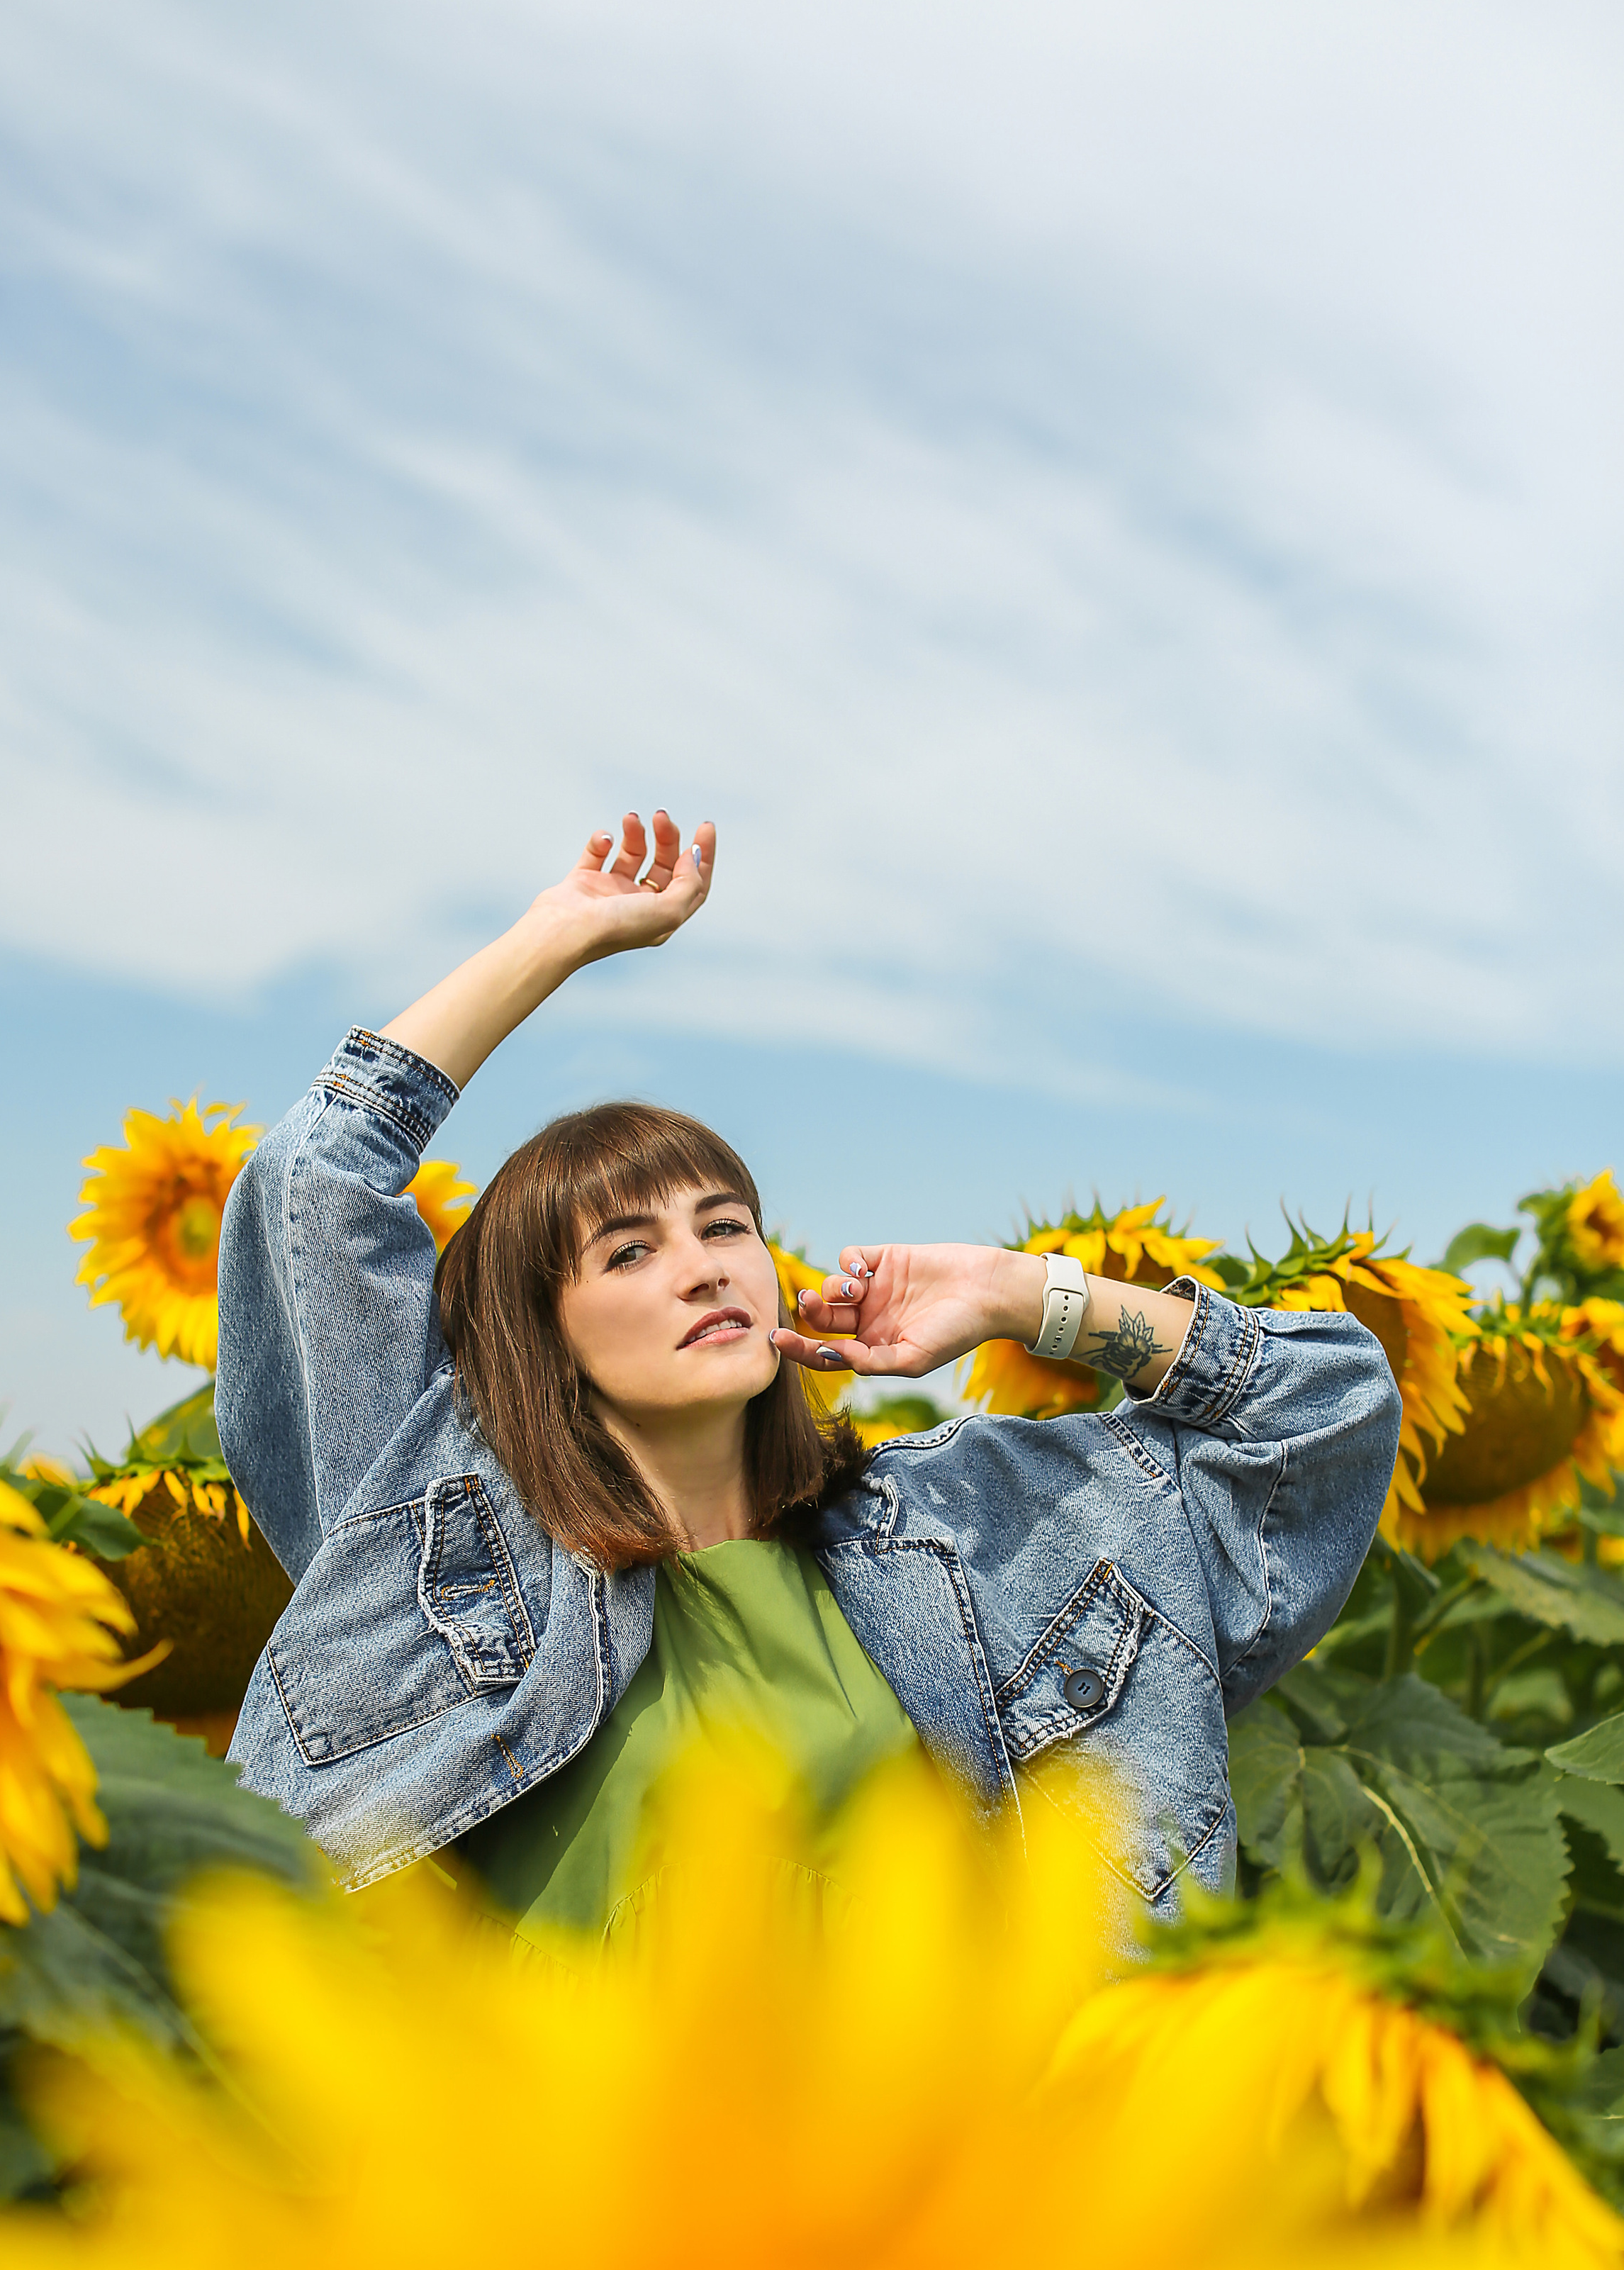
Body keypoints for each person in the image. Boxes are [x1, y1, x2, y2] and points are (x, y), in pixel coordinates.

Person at [215, 807, 1401, 1939]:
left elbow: (1319, 1416)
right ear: (541, 1337)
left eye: (725, 1227)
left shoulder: (967, 1535)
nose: (703, 1269)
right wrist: (559, 935)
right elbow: (318, 1187)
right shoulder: (447, 1550)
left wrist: (1018, 1295)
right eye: (629, 1251)